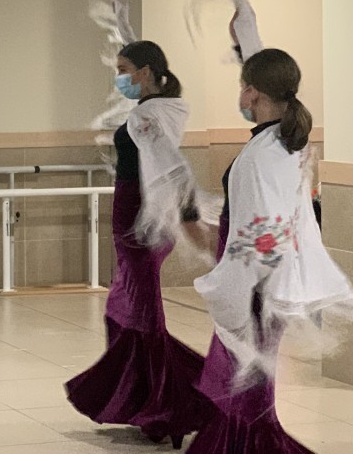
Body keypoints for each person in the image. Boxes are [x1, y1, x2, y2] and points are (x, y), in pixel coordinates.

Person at [66, 40, 208, 449]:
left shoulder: (147, 115)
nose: (119, 78)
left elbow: (174, 166)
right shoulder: (159, 106)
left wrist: (190, 216)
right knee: (123, 312)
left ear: (144, 72)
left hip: (139, 227)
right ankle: (144, 402)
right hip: (134, 222)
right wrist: (123, 23)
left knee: (143, 319)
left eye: (124, 69)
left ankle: (173, 409)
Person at [188, 47, 318, 453]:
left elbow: (254, 234)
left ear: (252, 93)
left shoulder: (259, 156)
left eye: (242, 86)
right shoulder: (283, 144)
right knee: (249, 382)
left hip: (254, 284)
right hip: (269, 280)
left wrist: (231, 291)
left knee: (243, 385)